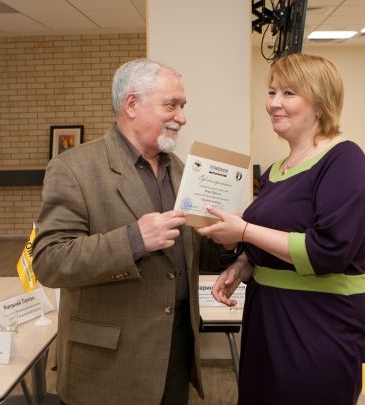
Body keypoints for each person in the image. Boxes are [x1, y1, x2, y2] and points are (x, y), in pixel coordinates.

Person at [33, 59, 223, 405]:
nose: (182, 117)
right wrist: (134, 240)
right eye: (171, 105)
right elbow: (50, 261)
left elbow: (190, 254)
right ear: (132, 104)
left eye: (182, 106)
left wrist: (225, 240)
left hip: (175, 351)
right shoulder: (74, 168)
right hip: (109, 364)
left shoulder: (180, 170)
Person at [197, 53, 365, 404]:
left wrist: (244, 232)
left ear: (321, 102)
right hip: (268, 315)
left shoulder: (344, 159)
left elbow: (328, 251)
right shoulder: (277, 169)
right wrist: (243, 265)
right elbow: (272, 241)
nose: (274, 103)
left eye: (289, 93)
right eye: (271, 92)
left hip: (323, 320)